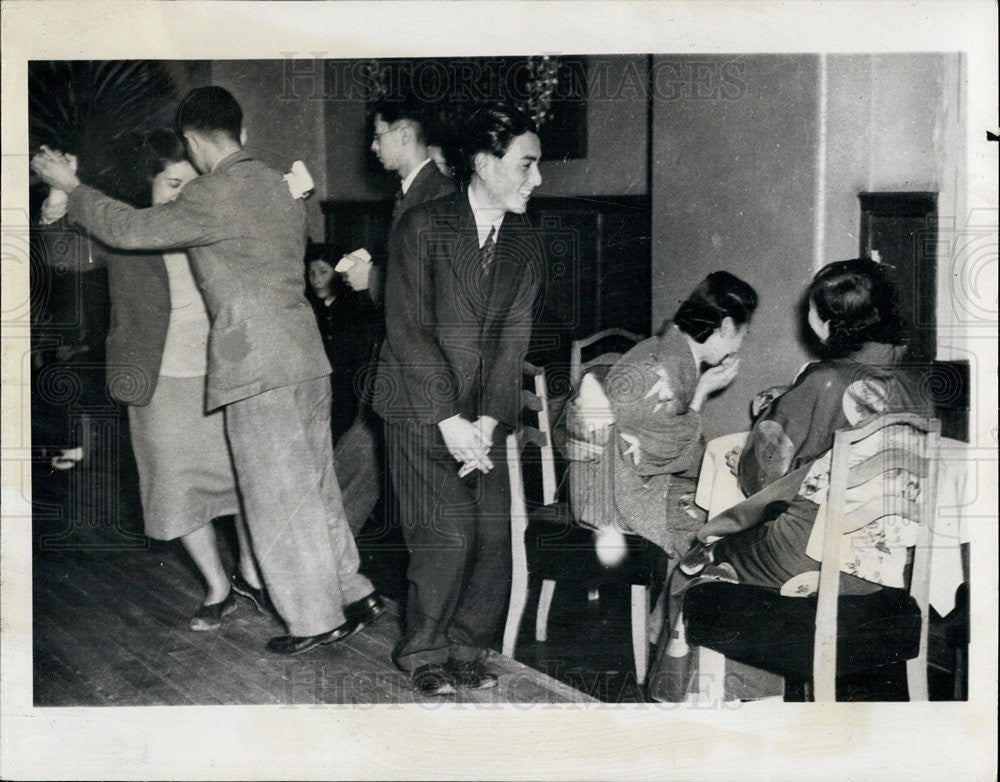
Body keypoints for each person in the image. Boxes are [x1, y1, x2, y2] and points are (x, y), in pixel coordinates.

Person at [31, 86, 382, 655]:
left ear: (193, 141)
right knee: (314, 488)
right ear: (240, 132)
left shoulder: (211, 195)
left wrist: (74, 187)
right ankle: (354, 591)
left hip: (254, 367)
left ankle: (314, 620)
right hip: (303, 358)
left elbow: (125, 229)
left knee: (273, 497)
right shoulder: (274, 182)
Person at [36, 131, 271, 629]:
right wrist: (59, 196)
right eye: (168, 184)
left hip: (224, 375)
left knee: (243, 481)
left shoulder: (212, 225)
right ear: (148, 187)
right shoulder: (127, 232)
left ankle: (252, 572)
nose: (177, 196)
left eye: (189, 185)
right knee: (177, 488)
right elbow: (64, 257)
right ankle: (217, 586)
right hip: (159, 382)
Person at [374, 103, 544, 695]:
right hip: (418, 404)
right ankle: (422, 651)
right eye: (526, 165)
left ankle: (467, 646)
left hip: (481, 415)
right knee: (446, 534)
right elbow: (408, 329)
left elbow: (512, 341)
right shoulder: (422, 226)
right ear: (483, 162)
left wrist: (492, 422)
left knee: (494, 533)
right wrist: (449, 419)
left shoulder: (522, 241)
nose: (537, 179)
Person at [687, 259, 932, 593]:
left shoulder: (824, 381)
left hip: (808, 555)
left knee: (695, 568)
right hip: (886, 570)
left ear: (829, 322)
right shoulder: (917, 385)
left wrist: (748, 453)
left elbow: (760, 478)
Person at [568, 272, 758, 563]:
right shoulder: (662, 369)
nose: (739, 346)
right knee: (724, 532)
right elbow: (661, 453)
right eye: (743, 335)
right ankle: (677, 608)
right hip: (609, 497)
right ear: (727, 327)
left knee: (724, 506)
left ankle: (672, 608)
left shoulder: (667, 350)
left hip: (614, 479)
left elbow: (665, 440)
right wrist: (702, 394)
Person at [332, 97, 457, 534]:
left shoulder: (435, 195)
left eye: (378, 135)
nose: (371, 146)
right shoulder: (413, 193)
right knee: (358, 459)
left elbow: (435, 294)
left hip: (418, 372)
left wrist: (370, 279)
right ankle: (327, 564)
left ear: (404, 136)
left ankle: (327, 566)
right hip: (397, 365)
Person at [305, 249, 379, 443]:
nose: (316, 280)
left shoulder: (354, 308)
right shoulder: (310, 308)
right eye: (311, 273)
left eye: (323, 272)